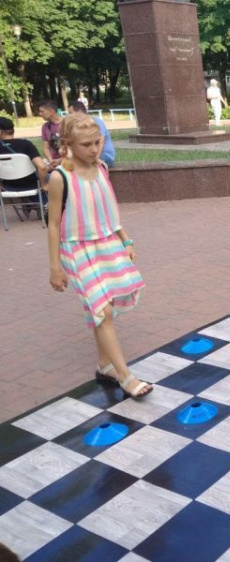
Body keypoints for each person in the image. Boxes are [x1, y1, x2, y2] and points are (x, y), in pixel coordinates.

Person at [45, 114, 152, 398]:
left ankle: (105, 365)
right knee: (102, 311)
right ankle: (125, 376)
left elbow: (109, 209)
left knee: (104, 310)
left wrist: (124, 238)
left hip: (107, 244)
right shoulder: (60, 178)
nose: (93, 149)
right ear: (68, 144)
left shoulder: (102, 168)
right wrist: (55, 266)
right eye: (85, 145)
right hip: (76, 249)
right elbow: (53, 223)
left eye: (97, 142)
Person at [0, 116, 48, 217]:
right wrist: (43, 185)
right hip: (32, 184)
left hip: (8, 187)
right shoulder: (26, 144)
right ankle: (40, 204)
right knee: (48, 176)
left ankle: (29, 204)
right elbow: (42, 167)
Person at [69, 101, 115, 167]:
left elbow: (101, 141)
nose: (69, 116)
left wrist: (95, 159)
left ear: (78, 111)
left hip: (105, 156)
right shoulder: (81, 125)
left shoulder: (96, 121)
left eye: (70, 113)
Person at [39, 100, 63, 170]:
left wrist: (60, 160)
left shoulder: (67, 123)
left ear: (51, 111)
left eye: (42, 111)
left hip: (69, 160)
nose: (40, 114)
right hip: (53, 161)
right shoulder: (45, 127)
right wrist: (51, 161)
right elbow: (46, 147)